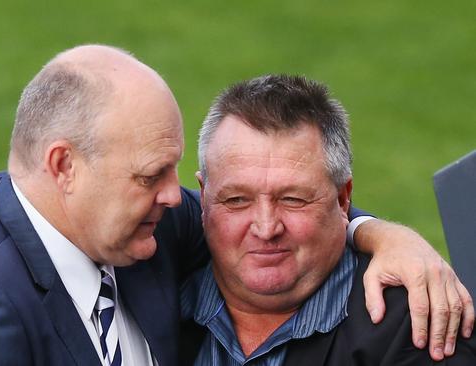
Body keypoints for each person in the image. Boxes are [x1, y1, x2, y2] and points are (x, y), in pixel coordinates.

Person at [0, 45, 472, 365]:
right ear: (63, 167)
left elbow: (281, 216)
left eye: (178, 174)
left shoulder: (126, 225)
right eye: (151, 175)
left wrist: (382, 234)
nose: (172, 196)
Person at [184, 74, 476, 365]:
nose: (266, 227)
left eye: (292, 199)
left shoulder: (417, 324)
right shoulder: (160, 283)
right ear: (204, 197)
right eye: (237, 200)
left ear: (342, 199)